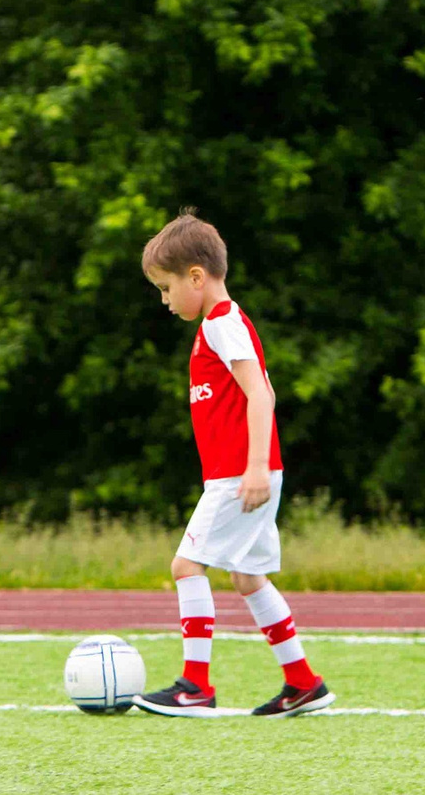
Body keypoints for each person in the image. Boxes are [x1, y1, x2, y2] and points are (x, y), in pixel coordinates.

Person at [132, 212, 334, 718]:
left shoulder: (222, 324)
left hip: (239, 477)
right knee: (247, 578)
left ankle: (194, 687)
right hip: (245, 473)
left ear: (196, 277)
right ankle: (303, 682)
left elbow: (261, 395)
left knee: (186, 565)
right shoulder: (219, 323)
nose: (165, 300)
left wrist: (256, 467)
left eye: (166, 287)